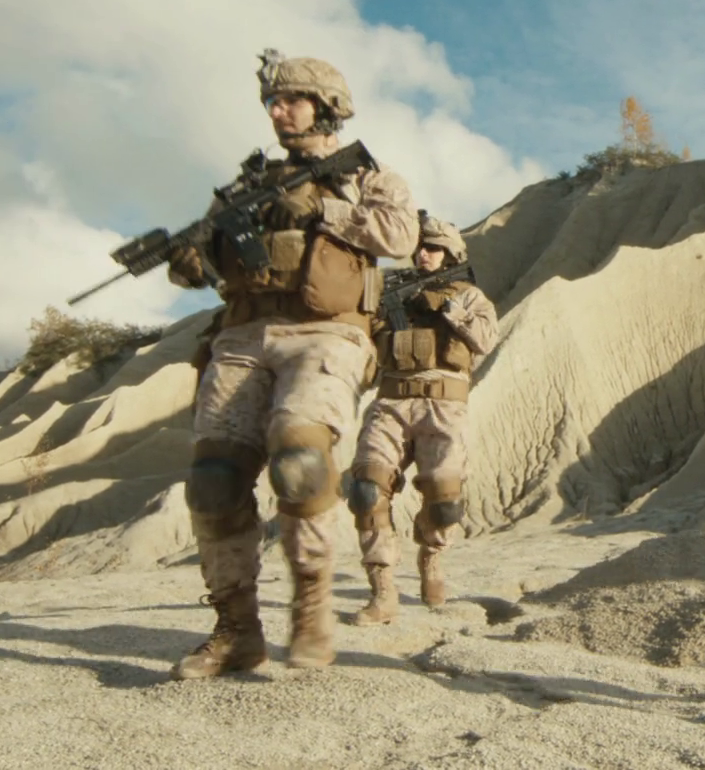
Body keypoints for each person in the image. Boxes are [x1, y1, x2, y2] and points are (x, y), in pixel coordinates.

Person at [165, 50, 416, 678]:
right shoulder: (243, 190)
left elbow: (399, 236)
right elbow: (206, 267)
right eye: (272, 103)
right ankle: (236, 630)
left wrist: (323, 209)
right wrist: (191, 258)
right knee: (213, 478)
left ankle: (311, 611)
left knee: (300, 458)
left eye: (291, 100)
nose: (279, 112)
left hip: (327, 333)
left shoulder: (367, 176)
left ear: (326, 106)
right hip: (242, 333)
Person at [350, 212, 498, 623]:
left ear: (450, 254)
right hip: (391, 402)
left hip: (443, 407)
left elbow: (486, 340)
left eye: (433, 248)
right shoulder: (389, 292)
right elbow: (363, 349)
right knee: (366, 490)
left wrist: (450, 309)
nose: (424, 254)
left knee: (445, 501)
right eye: (420, 248)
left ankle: (431, 558)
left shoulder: (469, 296)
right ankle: (382, 589)